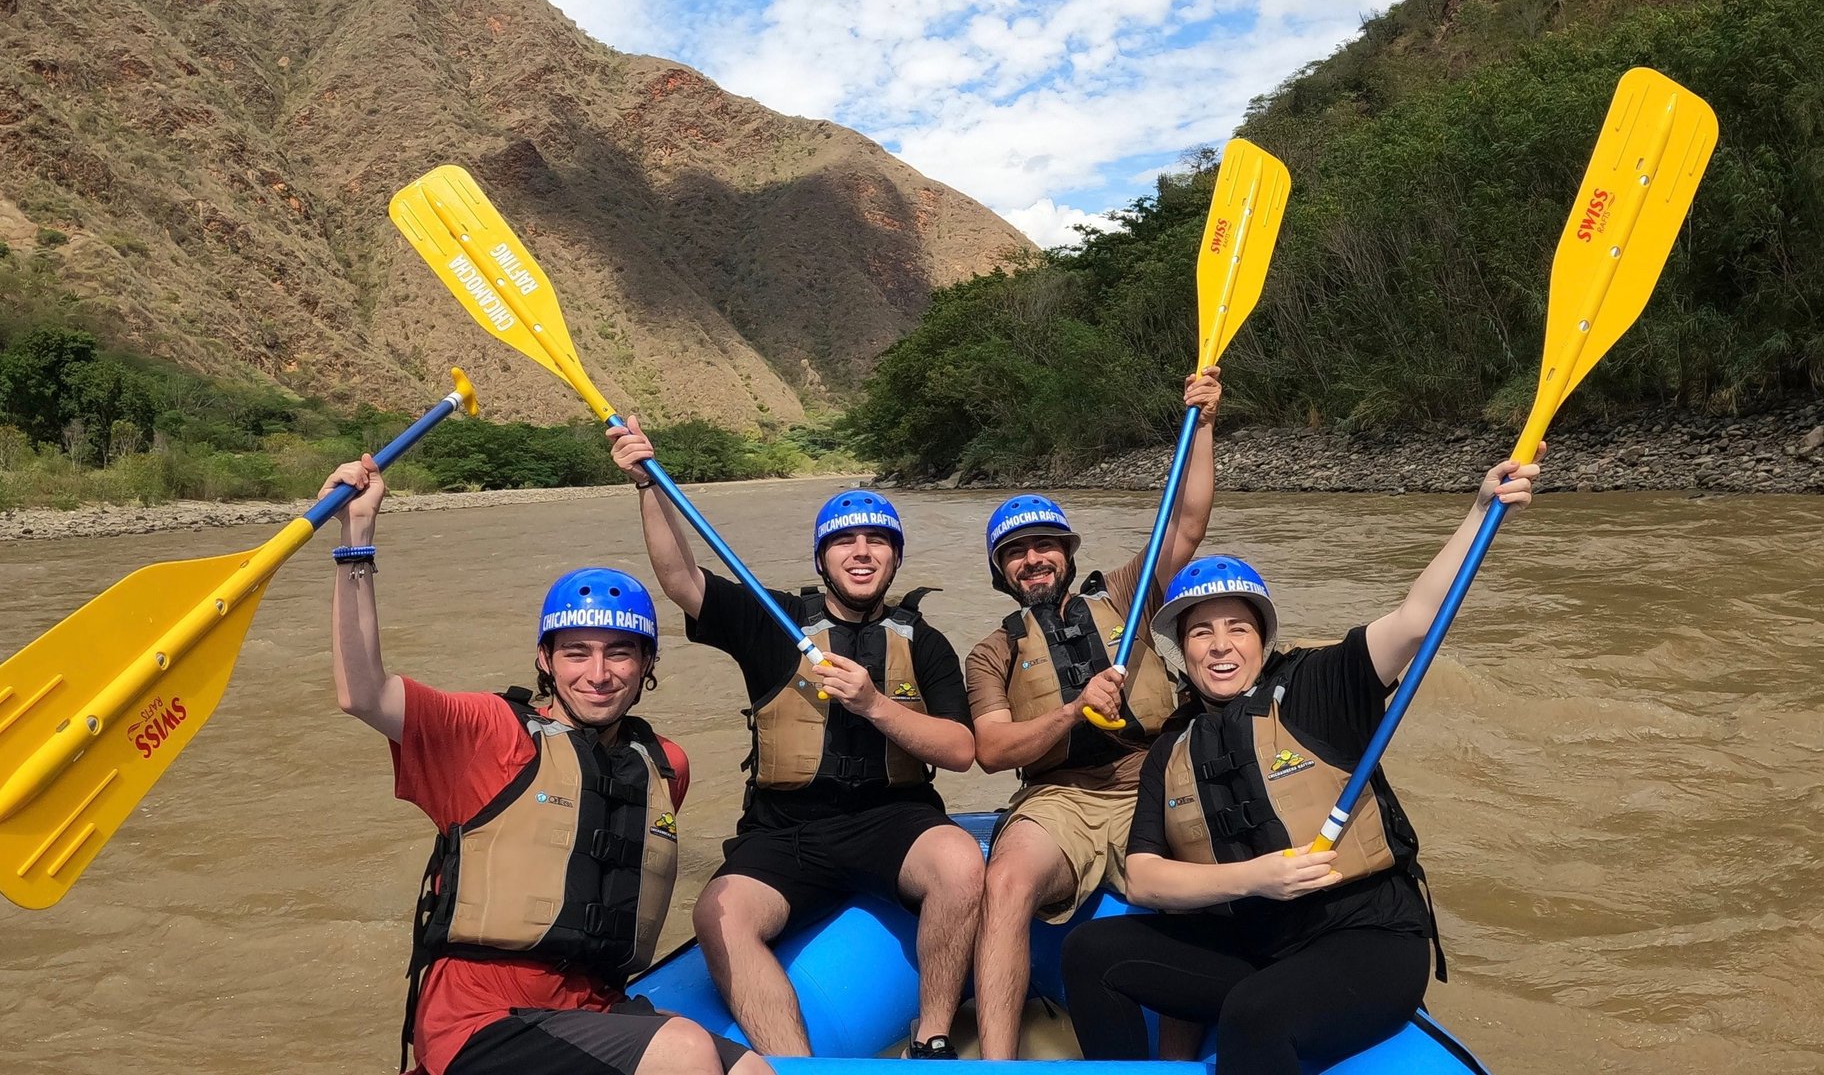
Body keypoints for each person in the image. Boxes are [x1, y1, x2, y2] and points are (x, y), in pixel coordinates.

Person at [1058, 450, 1543, 1075]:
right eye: (1201, 633)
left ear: (1263, 639)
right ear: (1184, 650)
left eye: (1238, 628)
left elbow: (1417, 621)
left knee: (1256, 1017)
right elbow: (1147, 879)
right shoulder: (1173, 746)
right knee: (1091, 951)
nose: (1221, 646)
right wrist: (1256, 878)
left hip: (1367, 940)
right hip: (1257, 942)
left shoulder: (1318, 687)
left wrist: (1479, 511)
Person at [323, 453, 773, 1075]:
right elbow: (363, 693)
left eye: (620, 653)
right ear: (545, 659)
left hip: (593, 1004)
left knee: (754, 1070)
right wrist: (356, 540)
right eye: (576, 652)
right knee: (687, 1051)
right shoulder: (487, 732)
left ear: (647, 666)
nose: (598, 673)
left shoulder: (664, 764)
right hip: (478, 1017)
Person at [607, 418, 985, 1058]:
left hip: (893, 820)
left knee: (959, 863)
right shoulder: (776, 621)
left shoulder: (925, 642)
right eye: (845, 543)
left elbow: (961, 751)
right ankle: (794, 1065)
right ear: (822, 558)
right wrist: (649, 486)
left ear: (895, 558)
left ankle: (934, 1035)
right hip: (786, 831)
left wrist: (873, 705)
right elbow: (683, 581)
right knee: (716, 914)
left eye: (877, 542)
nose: (861, 552)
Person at [964, 369, 1222, 1060]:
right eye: (1016, 552)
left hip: (1153, 778)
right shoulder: (991, 651)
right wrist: (1075, 708)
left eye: (1045, 544)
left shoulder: (1127, 594)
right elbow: (992, 748)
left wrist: (1203, 422)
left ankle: (1175, 1060)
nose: (1033, 558)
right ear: (1002, 571)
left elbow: (1189, 520)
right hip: (1061, 797)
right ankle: (998, 1061)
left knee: (1196, 883)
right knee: (1008, 879)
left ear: (1068, 553)